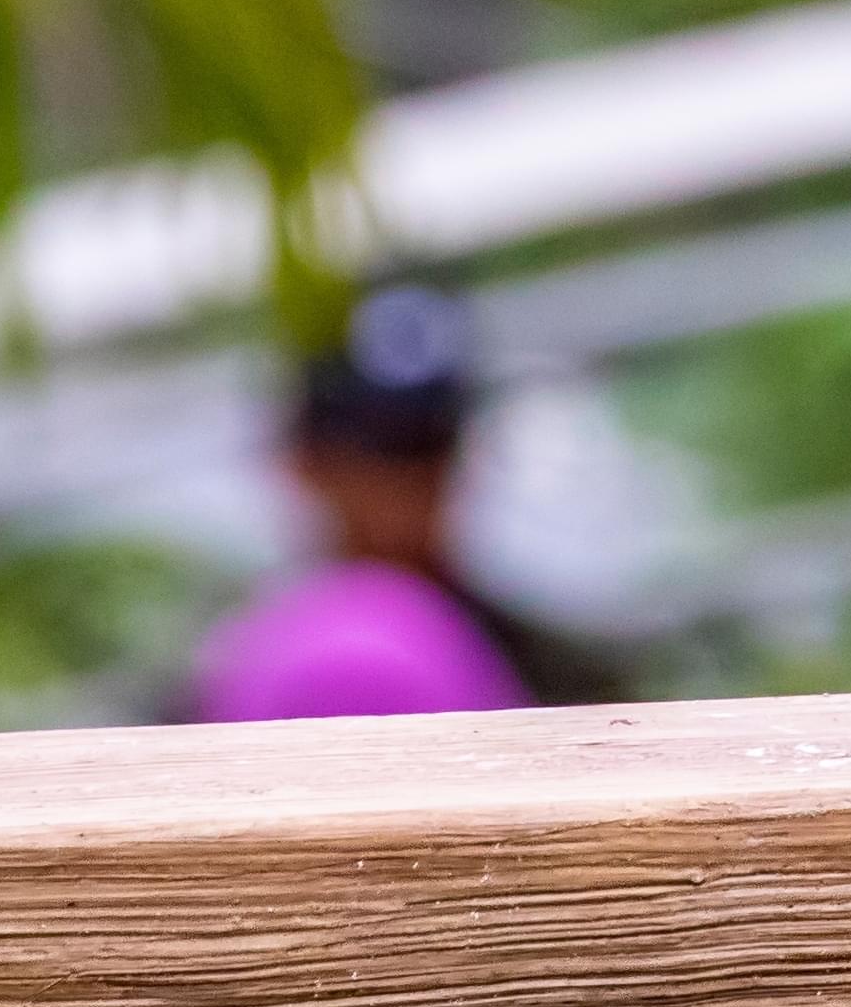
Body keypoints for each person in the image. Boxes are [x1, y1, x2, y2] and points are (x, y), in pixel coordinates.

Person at [181, 286, 617, 721]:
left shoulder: (494, 629)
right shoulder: (351, 655)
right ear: (304, 463)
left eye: (435, 444)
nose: (420, 479)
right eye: (385, 451)